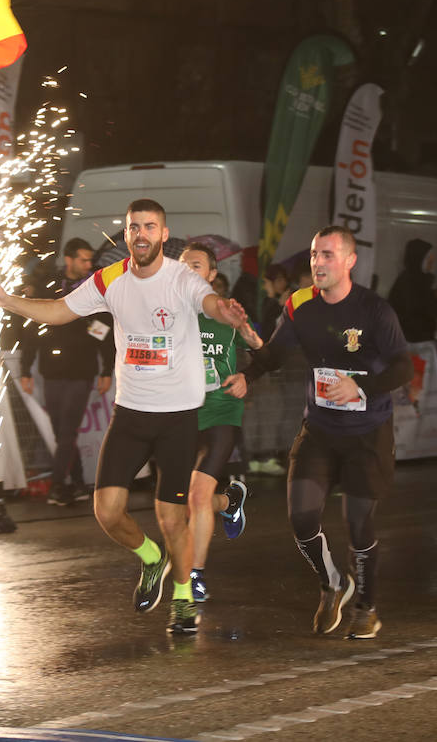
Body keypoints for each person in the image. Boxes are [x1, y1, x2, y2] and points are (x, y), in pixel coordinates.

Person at [0, 199, 249, 635]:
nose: (141, 234)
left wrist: (228, 313)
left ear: (164, 234)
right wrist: (8, 301)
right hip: (130, 415)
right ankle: (150, 557)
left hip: (178, 417)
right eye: (133, 227)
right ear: (125, 234)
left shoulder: (181, 277)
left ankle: (182, 599)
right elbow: (59, 310)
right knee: (107, 512)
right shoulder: (110, 279)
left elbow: (210, 303)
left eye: (150, 226)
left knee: (171, 519)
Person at [242, 226, 413, 639]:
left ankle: (367, 607)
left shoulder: (375, 310)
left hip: (367, 433)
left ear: (350, 261)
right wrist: (250, 360)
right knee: (301, 518)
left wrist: (361, 386)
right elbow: (275, 356)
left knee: (358, 526)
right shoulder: (301, 305)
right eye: (315, 254)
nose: (318, 263)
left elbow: (403, 367)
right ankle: (332, 582)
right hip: (319, 429)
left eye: (328, 255)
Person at [180, 242, 259, 603]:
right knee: (187, 502)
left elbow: (264, 351)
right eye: (181, 264)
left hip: (221, 412)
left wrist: (249, 376)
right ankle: (230, 501)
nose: (186, 269)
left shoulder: (225, 311)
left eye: (195, 265)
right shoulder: (168, 312)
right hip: (180, 415)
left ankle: (195, 576)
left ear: (212, 275)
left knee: (197, 497)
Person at [18, 238, 113, 506]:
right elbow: (32, 328)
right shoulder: (49, 285)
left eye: (89, 260)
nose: (88, 265)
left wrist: (106, 369)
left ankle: (58, 485)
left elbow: (103, 332)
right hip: (52, 370)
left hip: (81, 371)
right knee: (61, 432)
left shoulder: (93, 288)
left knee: (68, 430)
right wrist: (25, 368)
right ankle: (80, 483)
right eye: (83, 259)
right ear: (68, 259)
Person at [387, 238, 437, 343]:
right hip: (407, 340)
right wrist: (434, 324)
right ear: (418, 259)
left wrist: (436, 295)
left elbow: (423, 302)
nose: (432, 259)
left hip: (414, 339)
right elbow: (411, 315)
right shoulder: (408, 281)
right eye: (428, 257)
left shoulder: (420, 280)